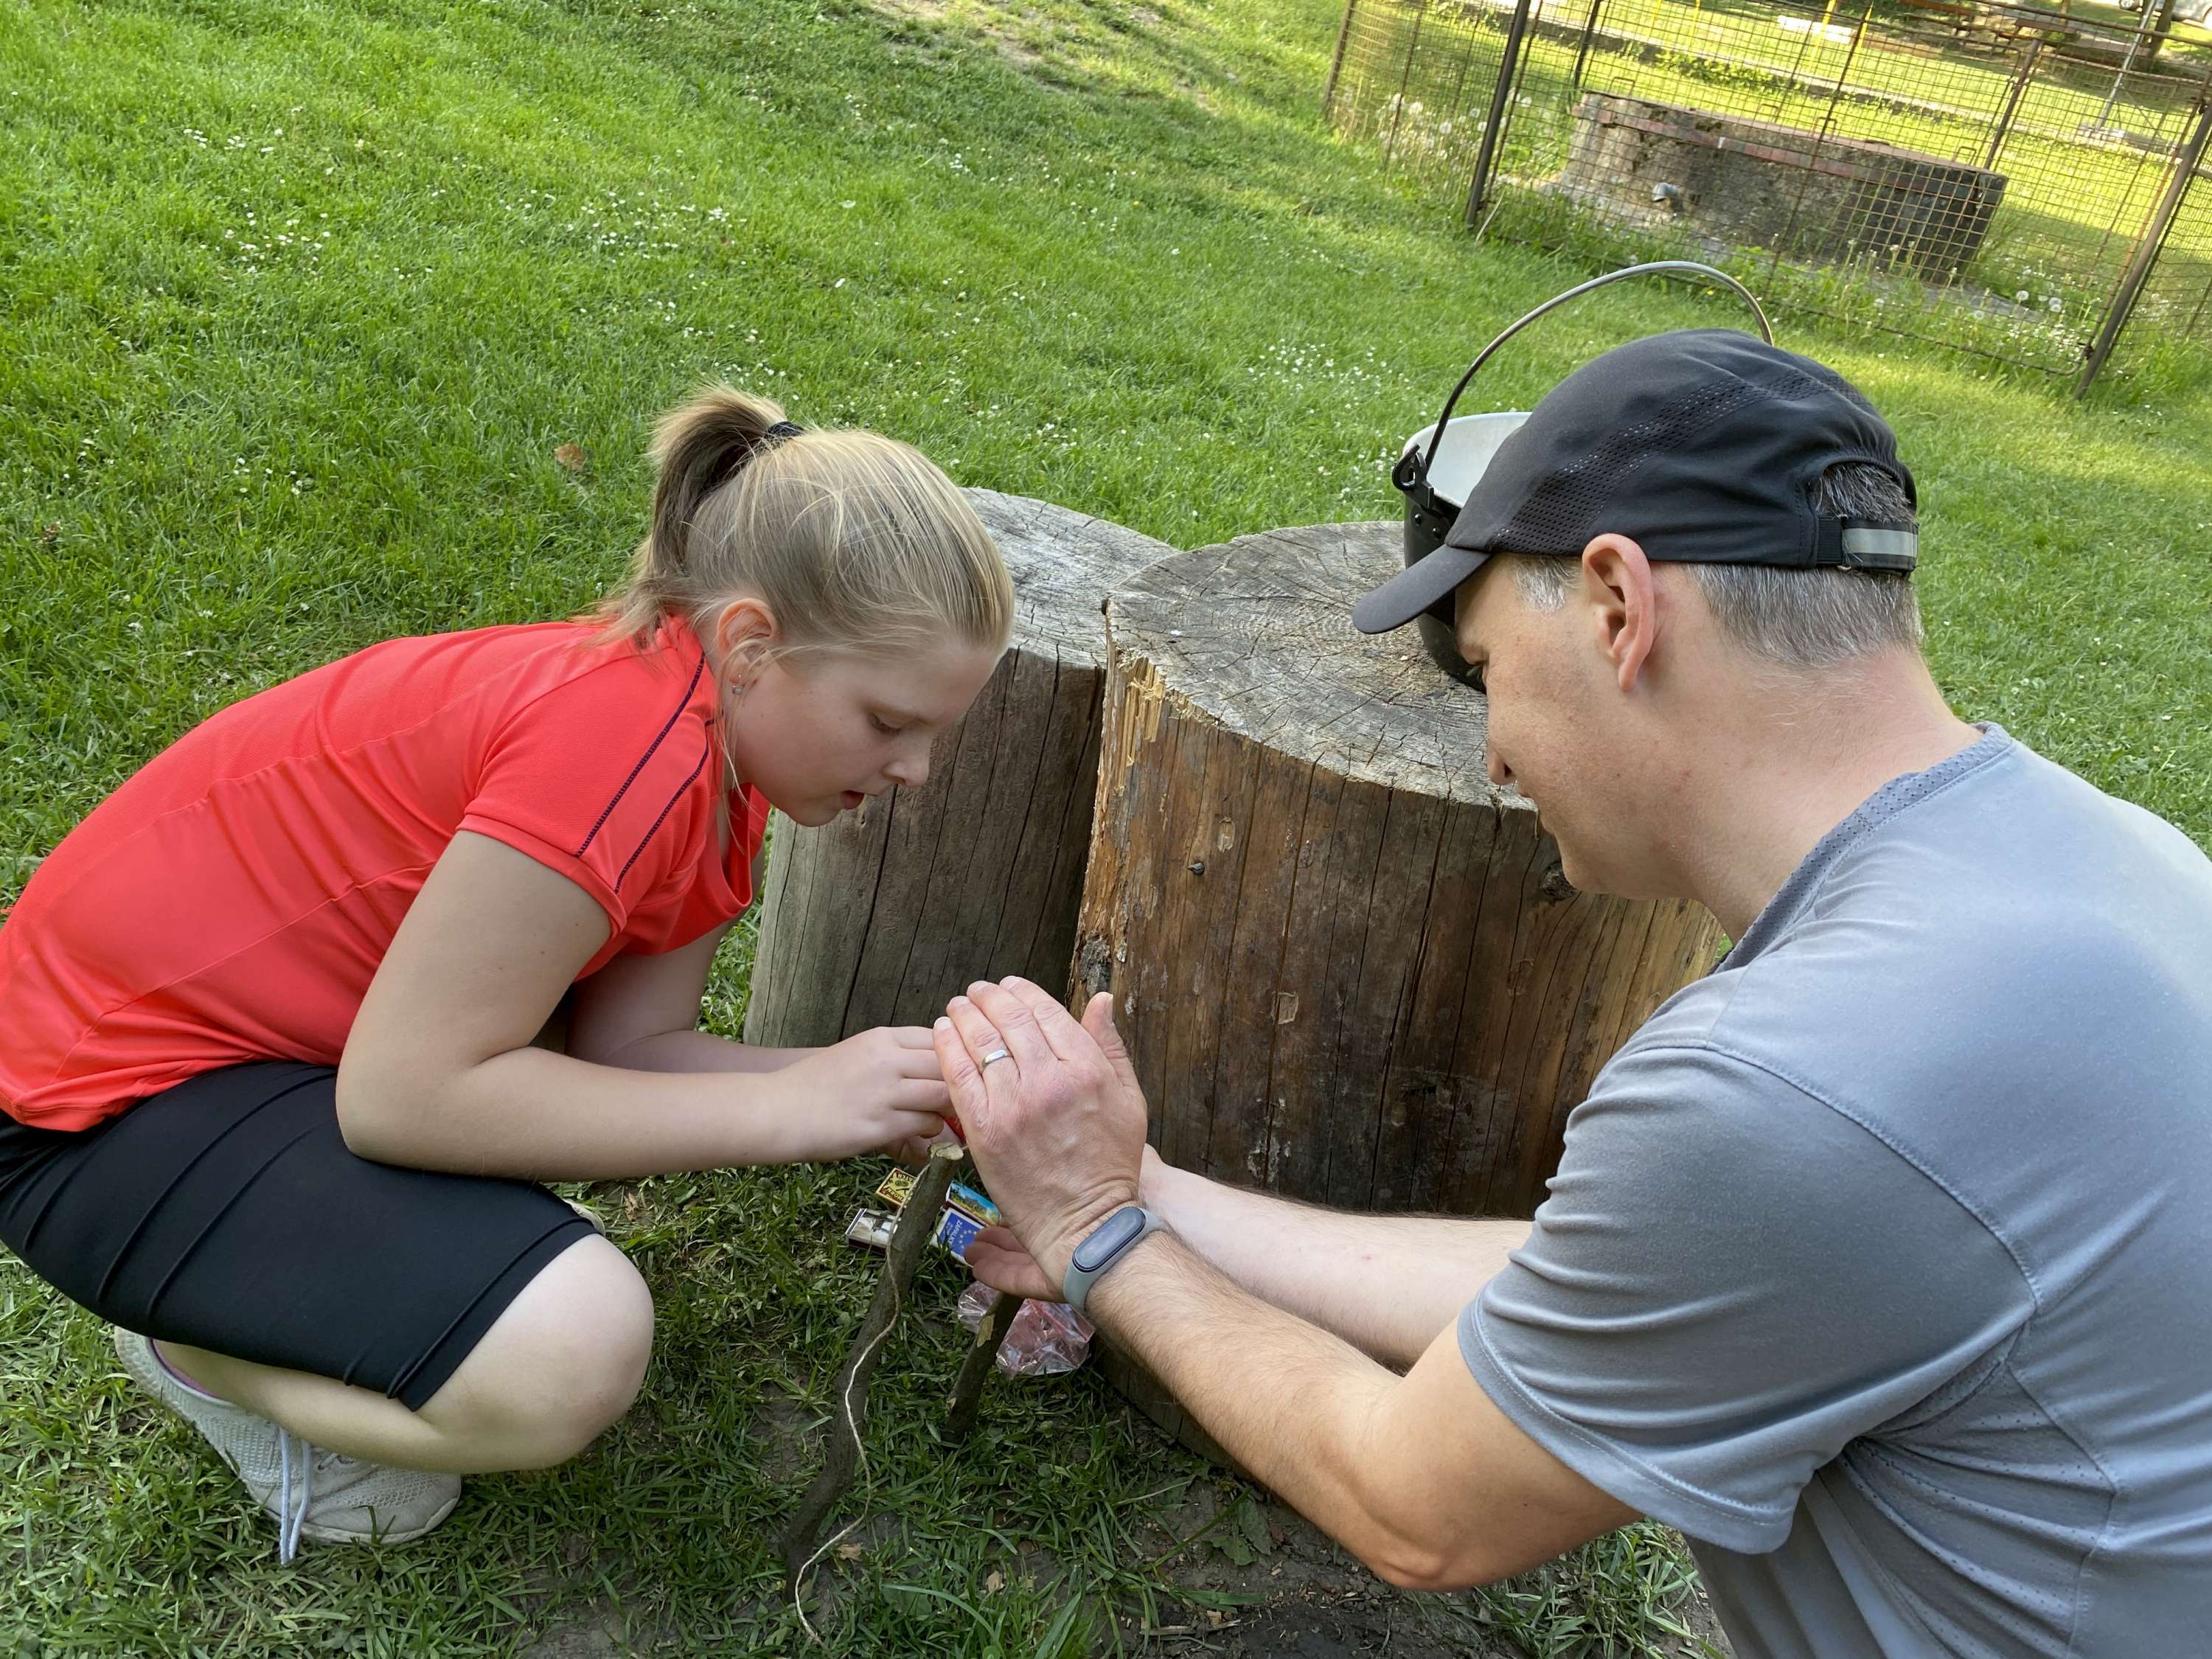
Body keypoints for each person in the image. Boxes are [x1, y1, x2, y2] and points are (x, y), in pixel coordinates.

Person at [935, 331, 2212, 1657]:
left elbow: (1414, 1506)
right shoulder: (2112, 858)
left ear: (1619, 606)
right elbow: (1616, 1279)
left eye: (1489, 672)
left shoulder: (1798, 1079)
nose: (1493, 756)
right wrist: (1149, 1193)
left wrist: (1097, 1236)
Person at [0, 389, 1011, 1559]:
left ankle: (255, 1283)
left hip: (261, 1070)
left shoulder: (706, 754)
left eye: (935, 733)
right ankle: (195, 1352)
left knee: (546, 1306)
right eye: (888, 721)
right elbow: (405, 1099)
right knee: (567, 1352)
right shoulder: (621, 746)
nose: (918, 769)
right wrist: (792, 1105)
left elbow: (628, 1054)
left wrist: (849, 1084)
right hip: (86, 1113)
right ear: (748, 644)